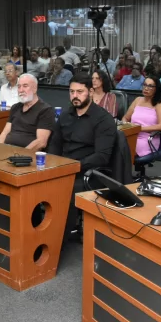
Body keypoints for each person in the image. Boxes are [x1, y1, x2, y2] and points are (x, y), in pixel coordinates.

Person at [48, 73, 116, 241]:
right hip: (63, 168)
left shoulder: (103, 119)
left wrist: (73, 167)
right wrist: (52, 165)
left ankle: (56, 240)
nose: (75, 96)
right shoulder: (65, 115)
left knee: (64, 192)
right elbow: (55, 145)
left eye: (80, 92)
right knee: (34, 185)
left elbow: (102, 156)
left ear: (90, 92)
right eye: (72, 92)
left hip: (87, 171)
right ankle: (38, 233)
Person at [0, 74, 55, 151]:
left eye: (25, 86)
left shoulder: (45, 110)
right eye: (19, 86)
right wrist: (0, 149)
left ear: (34, 89)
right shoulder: (15, 107)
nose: (21, 90)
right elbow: (4, 133)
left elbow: (41, 142)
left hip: (27, 154)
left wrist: (20, 155)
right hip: (7, 151)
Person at [122, 76, 161, 157]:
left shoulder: (159, 104)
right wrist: (125, 127)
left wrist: (139, 129)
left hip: (147, 138)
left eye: (150, 86)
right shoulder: (137, 100)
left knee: (125, 150)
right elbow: (125, 118)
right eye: (145, 85)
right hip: (132, 134)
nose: (146, 88)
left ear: (156, 89)